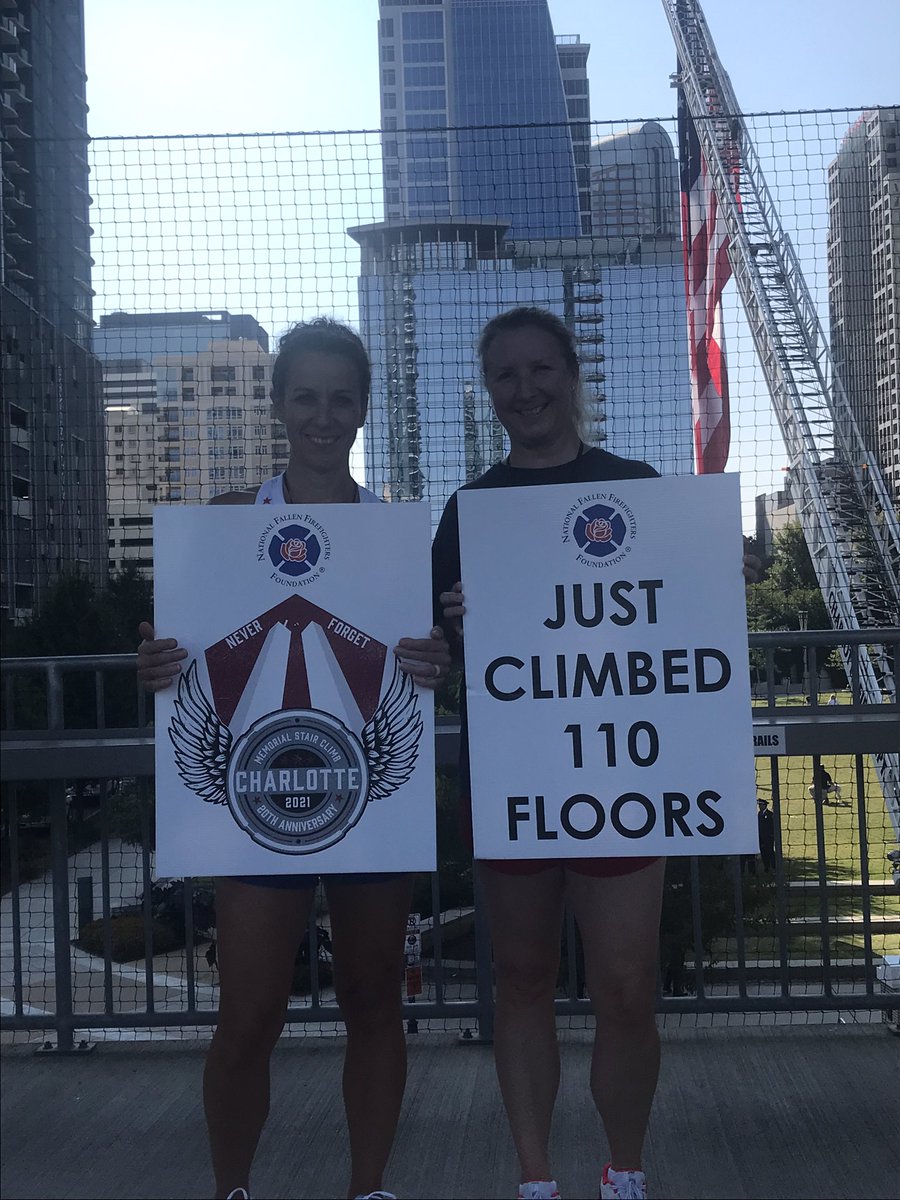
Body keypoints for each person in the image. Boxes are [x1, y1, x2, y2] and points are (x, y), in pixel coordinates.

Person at [432, 306, 759, 1200]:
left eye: (541, 368)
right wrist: (450, 627)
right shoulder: (469, 512)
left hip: (624, 777)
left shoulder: (638, 487)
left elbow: (681, 621)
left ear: (573, 375)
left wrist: (717, 579)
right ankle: (536, 1177)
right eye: (505, 374)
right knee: (522, 977)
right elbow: (439, 659)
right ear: (489, 390)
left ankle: (625, 1171)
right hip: (515, 778)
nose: (525, 388)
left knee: (624, 985)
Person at [137, 318, 450, 1200]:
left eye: (340, 399)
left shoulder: (397, 535)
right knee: (248, 1015)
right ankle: (231, 1188)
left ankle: (368, 1187)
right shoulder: (227, 522)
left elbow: (424, 663)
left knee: (374, 1001)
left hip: (369, 797)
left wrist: (438, 660)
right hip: (253, 802)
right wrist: (153, 663)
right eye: (306, 396)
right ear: (278, 405)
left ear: (363, 410)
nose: (323, 415)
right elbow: (178, 656)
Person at [757, 798, 776, 872]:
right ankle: (766, 866)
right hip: (761, 837)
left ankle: (773, 866)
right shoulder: (759, 814)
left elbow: (772, 826)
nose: (759, 806)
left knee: (770, 852)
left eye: (761, 805)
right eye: (759, 805)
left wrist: (772, 836)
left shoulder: (770, 814)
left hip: (768, 837)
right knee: (763, 852)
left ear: (765, 805)